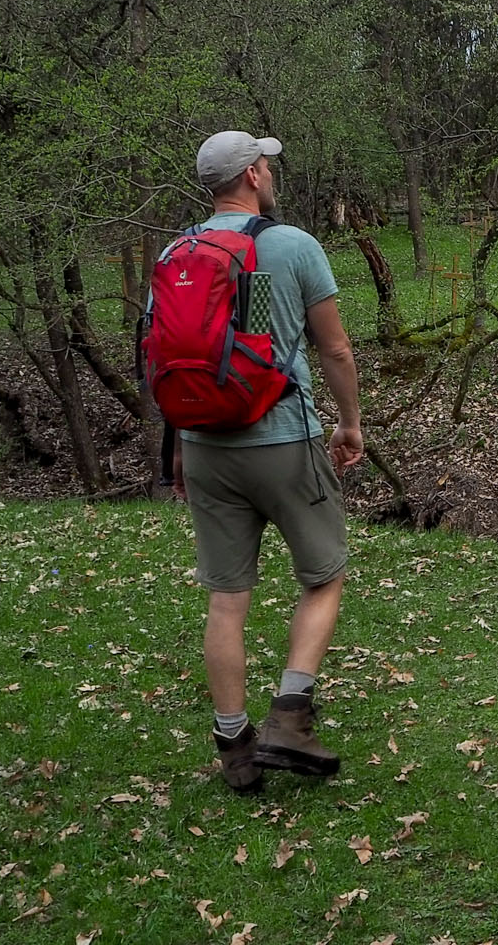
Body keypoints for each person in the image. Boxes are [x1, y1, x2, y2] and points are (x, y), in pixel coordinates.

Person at [172, 130, 364, 794]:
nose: (271, 174)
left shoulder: (178, 253)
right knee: (324, 574)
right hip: (282, 439)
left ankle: (234, 745)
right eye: (267, 165)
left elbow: (170, 357)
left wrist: (180, 443)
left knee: (227, 599)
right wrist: (349, 423)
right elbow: (334, 350)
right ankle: (289, 714)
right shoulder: (290, 245)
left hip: (202, 445)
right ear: (253, 174)